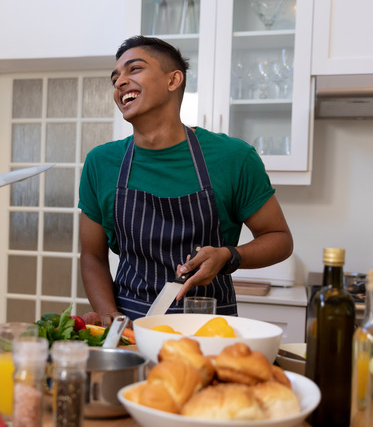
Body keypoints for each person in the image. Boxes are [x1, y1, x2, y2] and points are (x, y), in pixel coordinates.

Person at [79, 36, 293, 325]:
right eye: (115, 77)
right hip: (129, 327)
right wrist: (111, 319)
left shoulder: (233, 157)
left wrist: (228, 256)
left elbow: (279, 239)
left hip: (208, 327)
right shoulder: (100, 162)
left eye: (134, 69)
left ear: (173, 80)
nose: (120, 82)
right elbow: (92, 256)